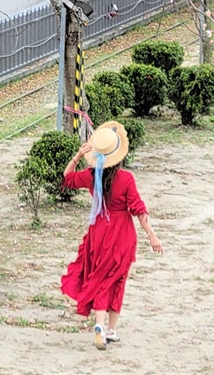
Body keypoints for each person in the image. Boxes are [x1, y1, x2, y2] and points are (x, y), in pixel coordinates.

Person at [60, 121, 163, 351]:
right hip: (122, 234)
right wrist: (152, 236)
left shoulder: (90, 175)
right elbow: (139, 209)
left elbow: (66, 179)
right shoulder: (126, 179)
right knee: (117, 278)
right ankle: (111, 330)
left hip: (99, 231)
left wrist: (78, 155)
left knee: (99, 277)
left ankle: (99, 324)